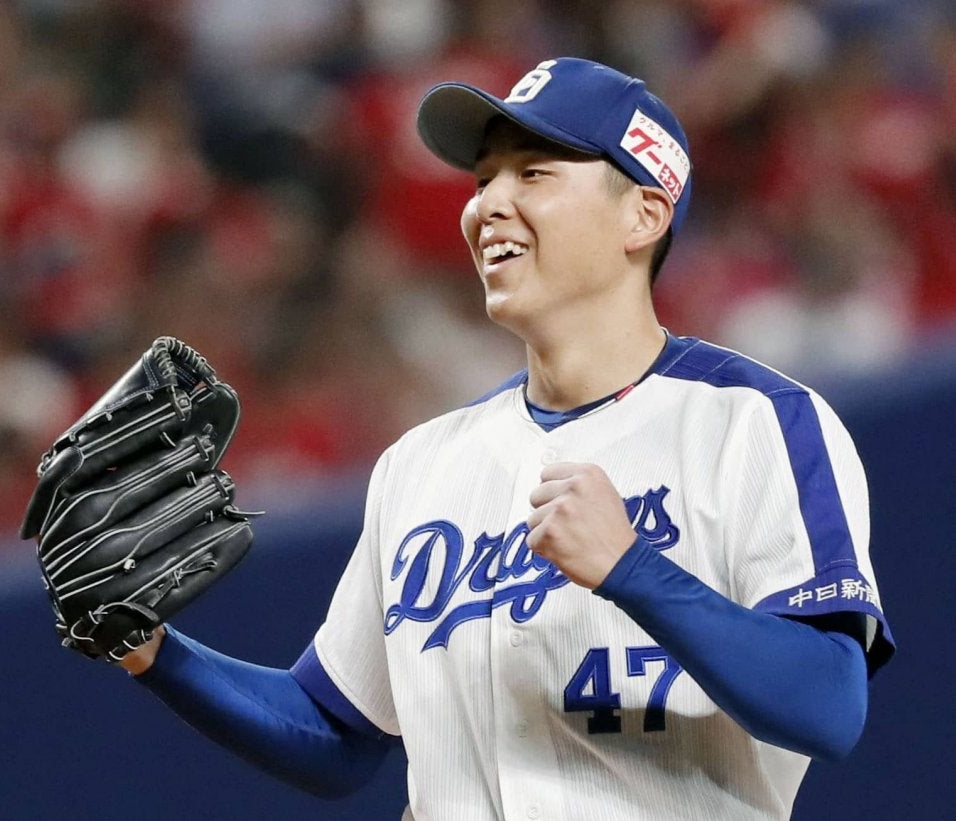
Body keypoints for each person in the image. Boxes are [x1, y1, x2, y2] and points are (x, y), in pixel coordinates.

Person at [120, 57, 894, 820]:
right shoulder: (421, 464)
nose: (488, 203)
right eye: (484, 178)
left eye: (533, 174)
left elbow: (829, 702)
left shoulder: (755, 421)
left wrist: (632, 569)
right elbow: (335, 729)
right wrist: (151, 647)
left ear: (643, 215)